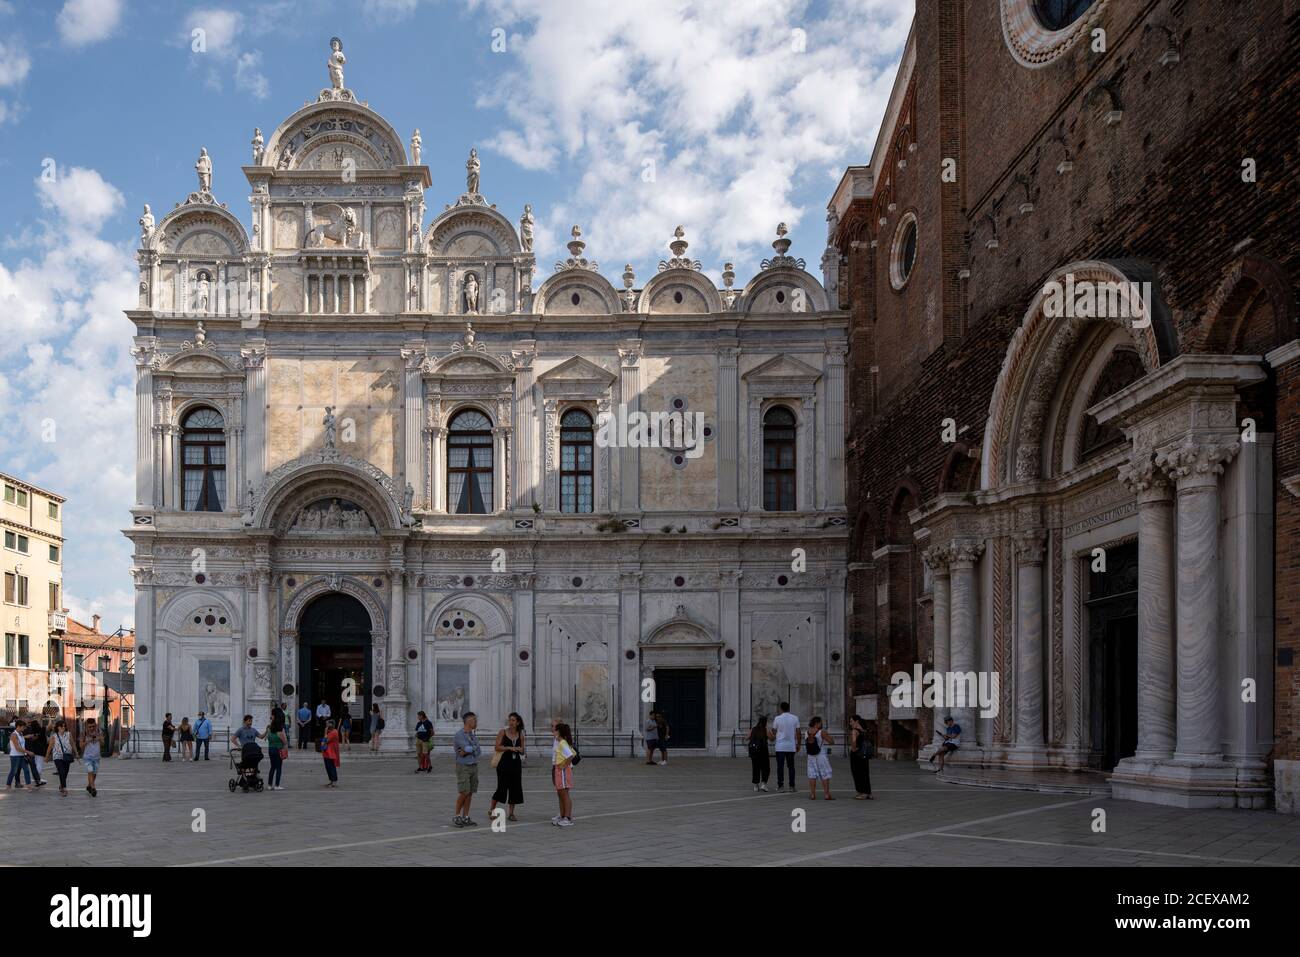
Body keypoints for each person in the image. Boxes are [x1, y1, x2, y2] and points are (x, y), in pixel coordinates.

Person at [490, 712, 526, 822]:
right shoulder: (503, 732)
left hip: (515, 764)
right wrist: (509, 748)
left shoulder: (521, 734)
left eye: (513, 720)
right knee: (501, 788)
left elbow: (523, 750)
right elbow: (497, 747)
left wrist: (520, 750)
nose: (511, 722)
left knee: (515, 788)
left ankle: (511, 813)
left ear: (518, 722)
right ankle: (492, 810)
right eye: (510, 720)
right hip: (504, 763)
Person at [452, 712, 481, 827]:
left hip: (473, 765)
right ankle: (457, 816)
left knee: (470, 793)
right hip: (463, 766)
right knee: (464, 792)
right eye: (475, 720)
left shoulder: (472, 735)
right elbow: (468, 748)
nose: (476, 722)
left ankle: (466, 816)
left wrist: (469, 749)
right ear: (469, 721)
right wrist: (470, 749)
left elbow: (478, 751)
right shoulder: (460, 735)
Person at [769, 702, 801, 793]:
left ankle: (781, 786)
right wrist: (798, 744)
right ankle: (792, 786)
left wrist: (773, 732)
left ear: (781, 708)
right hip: (791, 746)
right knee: (791, 767)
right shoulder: (795, 718)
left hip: (780, 746)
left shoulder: (777, 718)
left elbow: (774, 732)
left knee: (780, 767)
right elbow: (798, 732)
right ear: (788, 708)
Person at [551, 720, 577, 827]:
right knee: (561, 793)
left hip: (562, 771)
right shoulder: (562, 742)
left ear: (558, 732)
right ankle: (563, 815)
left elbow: (571, 755)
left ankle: (567, 817)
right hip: (559, 770)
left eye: (554, 729)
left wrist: (563, 765)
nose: (553, 731)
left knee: (564, 794)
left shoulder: (562, 743)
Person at [805, 716, 834, 800]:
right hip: (821, 755)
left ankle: (813, 794)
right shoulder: (821, 732)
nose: (821, 724)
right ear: (817, 723)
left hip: (811, 756)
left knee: (812, 774)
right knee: (825, 774)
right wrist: (828, 736)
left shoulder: (807, 732)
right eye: (820, 722)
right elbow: (831, 742)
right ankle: (826, 794)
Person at [46, 719, 78, 796]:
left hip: (67, 755)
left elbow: (72, 744)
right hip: (57, 756)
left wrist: (76, 753)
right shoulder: (54, 736)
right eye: (61, 726)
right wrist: (46, 757)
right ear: (58, 727)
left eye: (64, 726)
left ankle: (61, 785)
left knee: (65, 772)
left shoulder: (68, 734)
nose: (63, 727)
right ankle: (64, 788)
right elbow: (50, 747)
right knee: (61, 771)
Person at [261, 711, 288, 791]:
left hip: (271, 750)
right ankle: (277, 785)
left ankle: (269, 785)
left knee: (272, 767)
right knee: (279, 767)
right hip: (278, 750)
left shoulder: (270, 732)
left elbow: (266, 738)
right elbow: (285, 742)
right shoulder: (279, 733)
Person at [848, 714, 873, 799]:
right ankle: (868, 792)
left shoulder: (854, 731)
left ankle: (862, 792)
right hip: (864, 754)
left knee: (857, 773)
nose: (850, 723)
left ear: (856, 721)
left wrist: (853, 748)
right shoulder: (864, 730)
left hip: (857, 755)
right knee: (865, 773)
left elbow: (854, 741)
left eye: (851, 721)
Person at [6, 719, 32, 790]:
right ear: (18, 726)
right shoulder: (14, 735)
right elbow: (17, 748)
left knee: (26, 770)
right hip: (15, 756)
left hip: (22, 755)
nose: (24, 728)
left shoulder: (21, 734)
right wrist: (28, 752)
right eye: (23, 727)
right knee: (13, 771)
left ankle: (28, 785)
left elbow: (22, 743)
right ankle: (8, 785)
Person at [747, 715, 771, 792]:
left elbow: (747, 737)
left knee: (755, 768)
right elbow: (772, 738)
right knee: (765, 768)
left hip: (754, 752)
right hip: (763, 751)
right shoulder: (765, 730)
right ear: (765, 722)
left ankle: (756, 786)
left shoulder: (753, 729)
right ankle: (763, 784)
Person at [24, 719, 47, 787]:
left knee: (36, 764)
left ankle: (36, 778)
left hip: (33, 749)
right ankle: (38, 779)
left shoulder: (31, 731)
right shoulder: (41, 730)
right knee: (39, 764)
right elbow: (50, 726)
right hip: (40, 750)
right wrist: (49, 719)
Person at [82, 719, 101, 797]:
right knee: (90, 771)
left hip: (96, 757)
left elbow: (102, 743)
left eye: (93, 726)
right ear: (87, 726)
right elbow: (80, 745)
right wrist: (88, 741)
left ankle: (89, 785)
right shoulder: (83, 734)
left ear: (95, 725)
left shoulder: (99, 732)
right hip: (87, 757)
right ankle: (93, 788)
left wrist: (98, 738)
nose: (92, 728)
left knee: (94, 773)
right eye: (90, 727)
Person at [321, 719, 341, 787]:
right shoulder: (329, 732)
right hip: (326, 753)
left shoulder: (334, 732)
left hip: (331, 753)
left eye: (328, 724)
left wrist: (325, 732)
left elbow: (325, 741)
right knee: (328, 767)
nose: (326, 725)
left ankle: (334, 781)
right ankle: (331, 780)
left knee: (331, 767)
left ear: (332, 725)